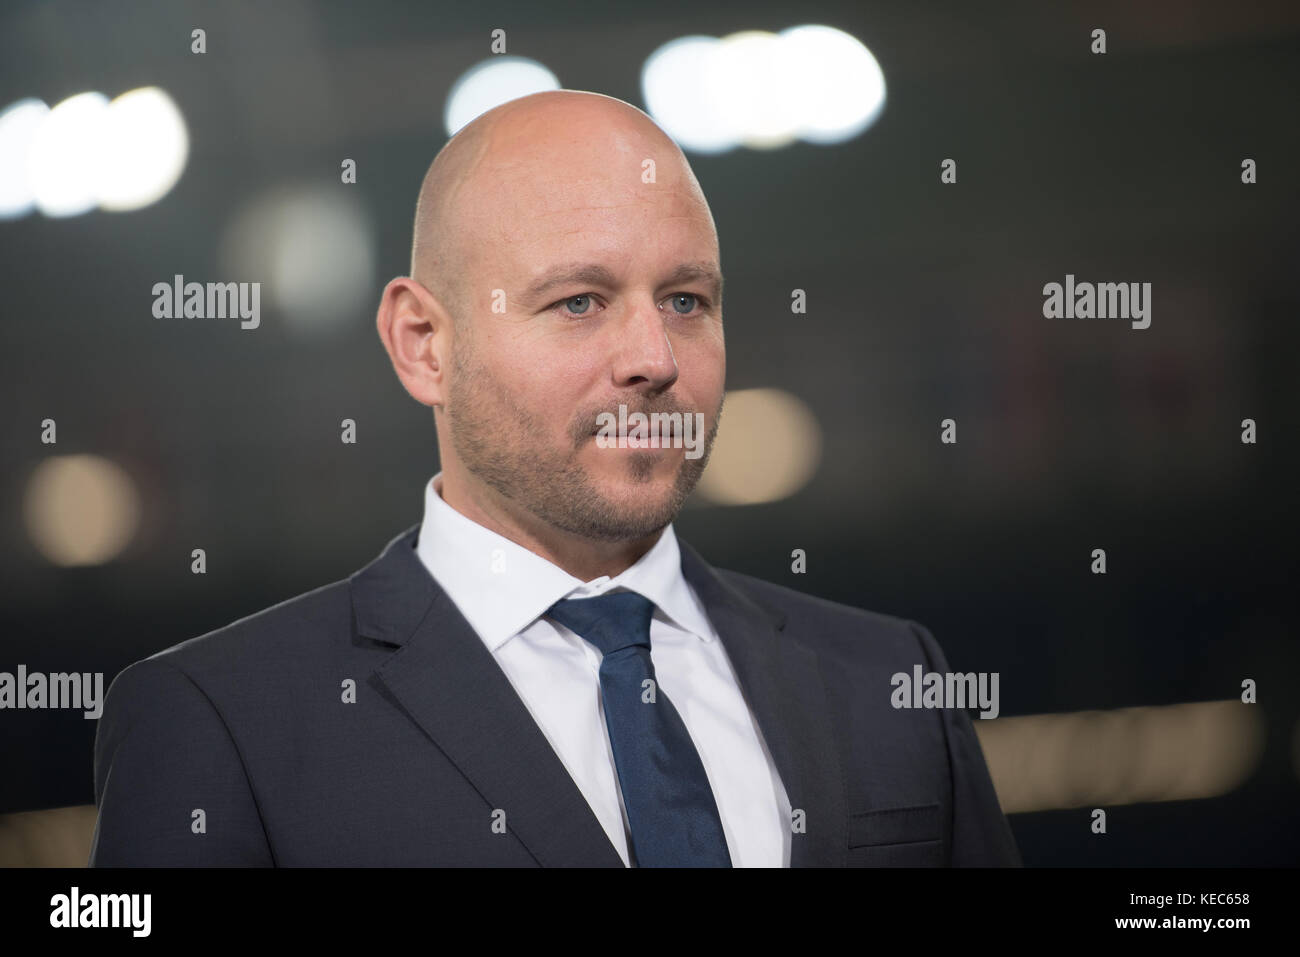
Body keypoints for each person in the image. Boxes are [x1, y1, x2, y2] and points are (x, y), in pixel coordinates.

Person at [89, 89, 1020, 867]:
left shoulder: (889, 681)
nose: (654, 357)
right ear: (425, 345)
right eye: (579, 301)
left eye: (687, 300)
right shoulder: (223, 724)